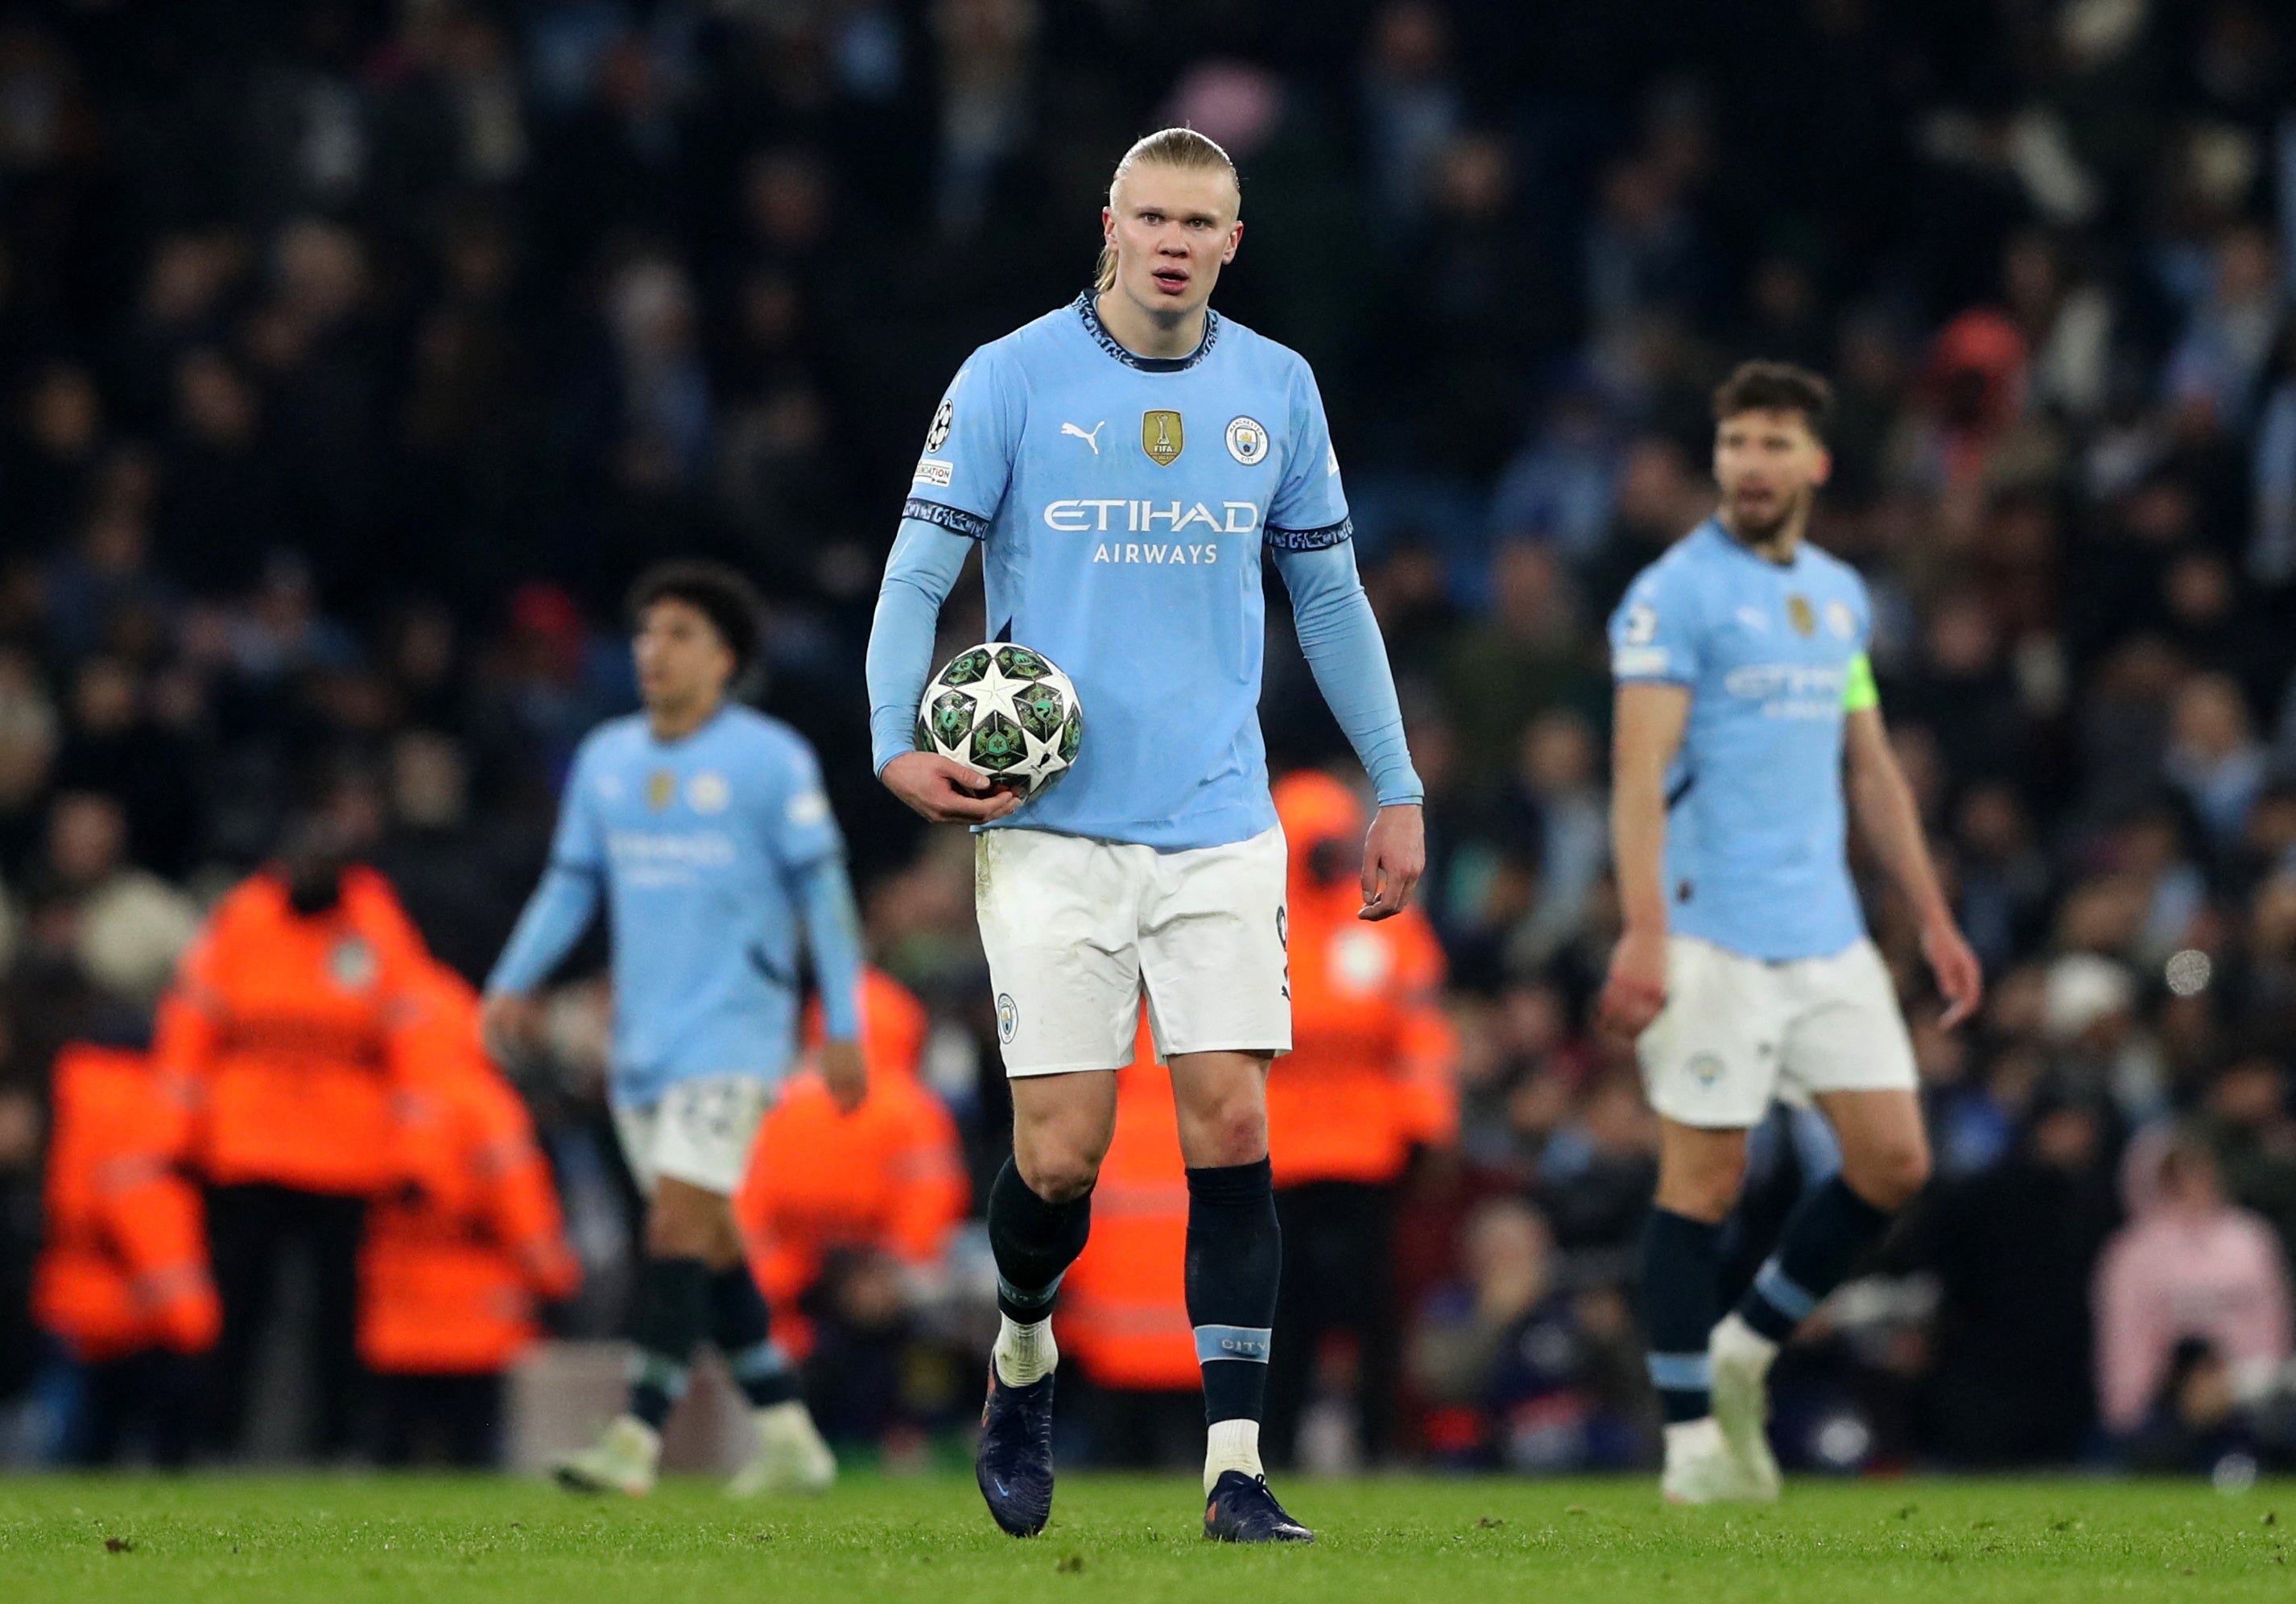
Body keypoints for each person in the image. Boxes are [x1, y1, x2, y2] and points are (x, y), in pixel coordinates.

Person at [865, 126, 1424, 1544]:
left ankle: (1233, 1466)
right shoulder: (1009, 379)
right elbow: (918, 568)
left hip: (1216, 819)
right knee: (1060, 1155)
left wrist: (1396, 780)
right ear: (1108, 225)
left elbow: (1334, 601)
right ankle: (1022, 1349)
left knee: (1230, 1116)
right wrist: (893, 741)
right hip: (1048, 829)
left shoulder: (1276, 391)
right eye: (1152, 215)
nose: (1174, 240)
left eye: (1201, 221)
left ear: (1232, 242)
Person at [1596, 361, 1984, 1503]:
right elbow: (1634, 773)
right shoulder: (1674, 595)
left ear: (1815, 463)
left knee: (1894, 1160)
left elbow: (1869, 768)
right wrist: (1641, 930)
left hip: (1827, 936)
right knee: (1704, 1179)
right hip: (1712, 933)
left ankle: (1743, 1352)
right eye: (1734, 444)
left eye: (1772, 445)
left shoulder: (1840, 597)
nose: (1750, 466)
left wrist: (1932, 916)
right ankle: (1689, 1445)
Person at [485, 560, 865, 1498]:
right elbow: (572, 883)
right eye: (647, 633)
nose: (654, 650)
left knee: (675, 1222)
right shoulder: (609, 759)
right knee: (706, 1237)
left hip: (737, 1030)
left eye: (680, 633)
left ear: (725, 657)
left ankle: (633, 1440)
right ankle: (787, 1434)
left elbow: (824, 895)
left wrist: (845, 1021)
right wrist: (511, 980)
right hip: (641, 1043)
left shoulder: (770, 760)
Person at [155, 821, 441, 1460]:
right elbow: (191, 1027)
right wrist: (178, 1140)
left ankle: (337, 1446)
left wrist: (417, 1154)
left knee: (340, 1317)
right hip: (250, 1146)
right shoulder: (245, 917)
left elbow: (417, 1047)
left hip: (343, 1153)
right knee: (236, 1309)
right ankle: (217, 1442)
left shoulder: (376, 925)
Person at [1261, 769, 1456, 1470]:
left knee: (1376, 1310)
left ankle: (1379, 1443)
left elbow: (1422, 1033)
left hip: (1372, 1155)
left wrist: (1428, 1128)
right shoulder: (1257, 921)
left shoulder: (1386, 918)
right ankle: (1274, 1447)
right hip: (1281, 1154)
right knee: (1285, 1313)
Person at [361, 963, 580, 1468]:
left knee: (390, 1475)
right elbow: (522, 1212)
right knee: (472, 1472)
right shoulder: (486, 1105)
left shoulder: (377, 1102)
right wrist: (556, 1281)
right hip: (478, 1322)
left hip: (393, 1318)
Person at [31, 1040, 219, 1466]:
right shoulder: (143, 1107)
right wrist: (195, 1321)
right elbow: (146, 1217)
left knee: (84, 1442)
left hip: (75, 1301)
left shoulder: (72, 1097)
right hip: (140, 1309)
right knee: (132, 1437)